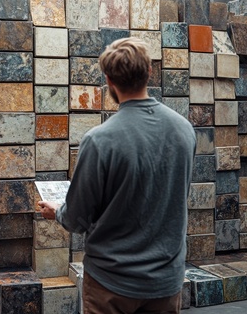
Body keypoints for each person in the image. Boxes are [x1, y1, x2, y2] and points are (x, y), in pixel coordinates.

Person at [39, 37, 196, 314]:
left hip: (111, 283)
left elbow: (77, 218)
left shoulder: (99, 140)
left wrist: (58, 212)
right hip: (166, 281)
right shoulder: (184, 130)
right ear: (149, 71)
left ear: (109, 81)